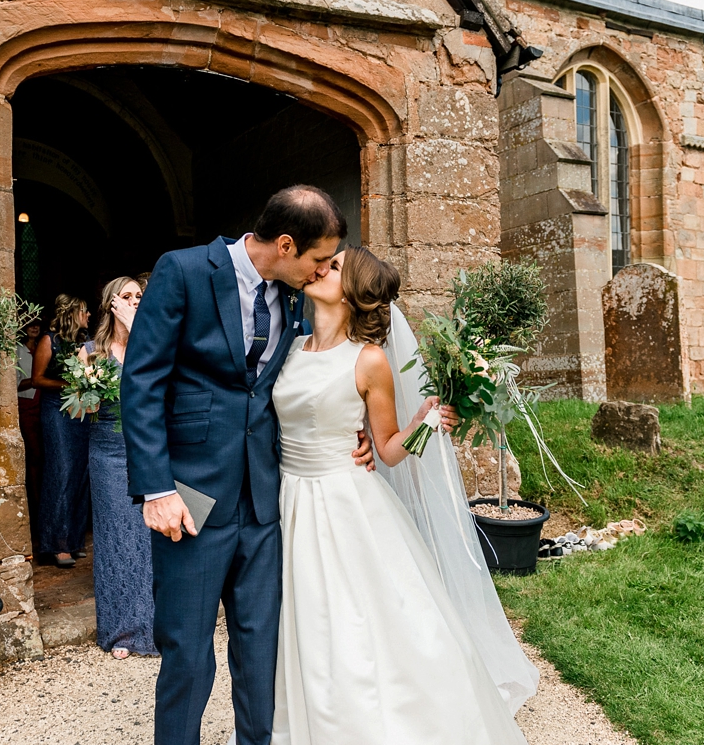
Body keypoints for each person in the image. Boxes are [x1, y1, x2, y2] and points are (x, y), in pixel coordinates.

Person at [122, 186, 375, 745]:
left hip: (265, 499)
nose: (322, 272)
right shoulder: (184, 270)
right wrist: (155, 488)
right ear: (285, 245)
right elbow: (141, 381)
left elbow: (295, 377)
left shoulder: (290, 294)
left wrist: (350, 426)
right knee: (187, 651)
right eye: (317, 260)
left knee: (262, 650)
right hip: (189, 497)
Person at [269, 246, 537, 743]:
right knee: (303, 622)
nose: (321, 267)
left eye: (335, 266)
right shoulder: (290, 345)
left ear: (354, 295)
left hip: (345, 503)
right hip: (290, 500)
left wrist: (422, 424)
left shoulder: (369, 361)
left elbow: (389, 448)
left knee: (353, 621)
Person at [82, 276, 157, 659]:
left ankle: (155, 624)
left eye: (140, 296)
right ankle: (122, 630)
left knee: (149, 539)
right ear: (111, 303)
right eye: (127, 296)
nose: (135, 301)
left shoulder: (152, 344)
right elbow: (83, 411)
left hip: (147, 451)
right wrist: (89, 385)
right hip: (108, 454)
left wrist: (137, 331)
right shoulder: (91, 352)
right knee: (116, 540)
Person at [31, 294, 91, 569]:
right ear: (73, 313)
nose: (88, 315)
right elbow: (37, 379)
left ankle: (74, 539)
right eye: (84, 311)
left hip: (79, 412)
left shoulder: (82, 342)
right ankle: (55, 544)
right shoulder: (49, 340)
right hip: (56, 412)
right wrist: (70, 384)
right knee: (62, 471)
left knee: (80, 473)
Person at [16, 320, 44, 551]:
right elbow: (13, 384)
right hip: (27, 406)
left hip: (44, 405)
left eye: (37, 324)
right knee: (33, 456)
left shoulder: (45, 346)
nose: (34, 328)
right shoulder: (16, 351)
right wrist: (38, 379)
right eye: (29, 324)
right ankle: (34, 502)